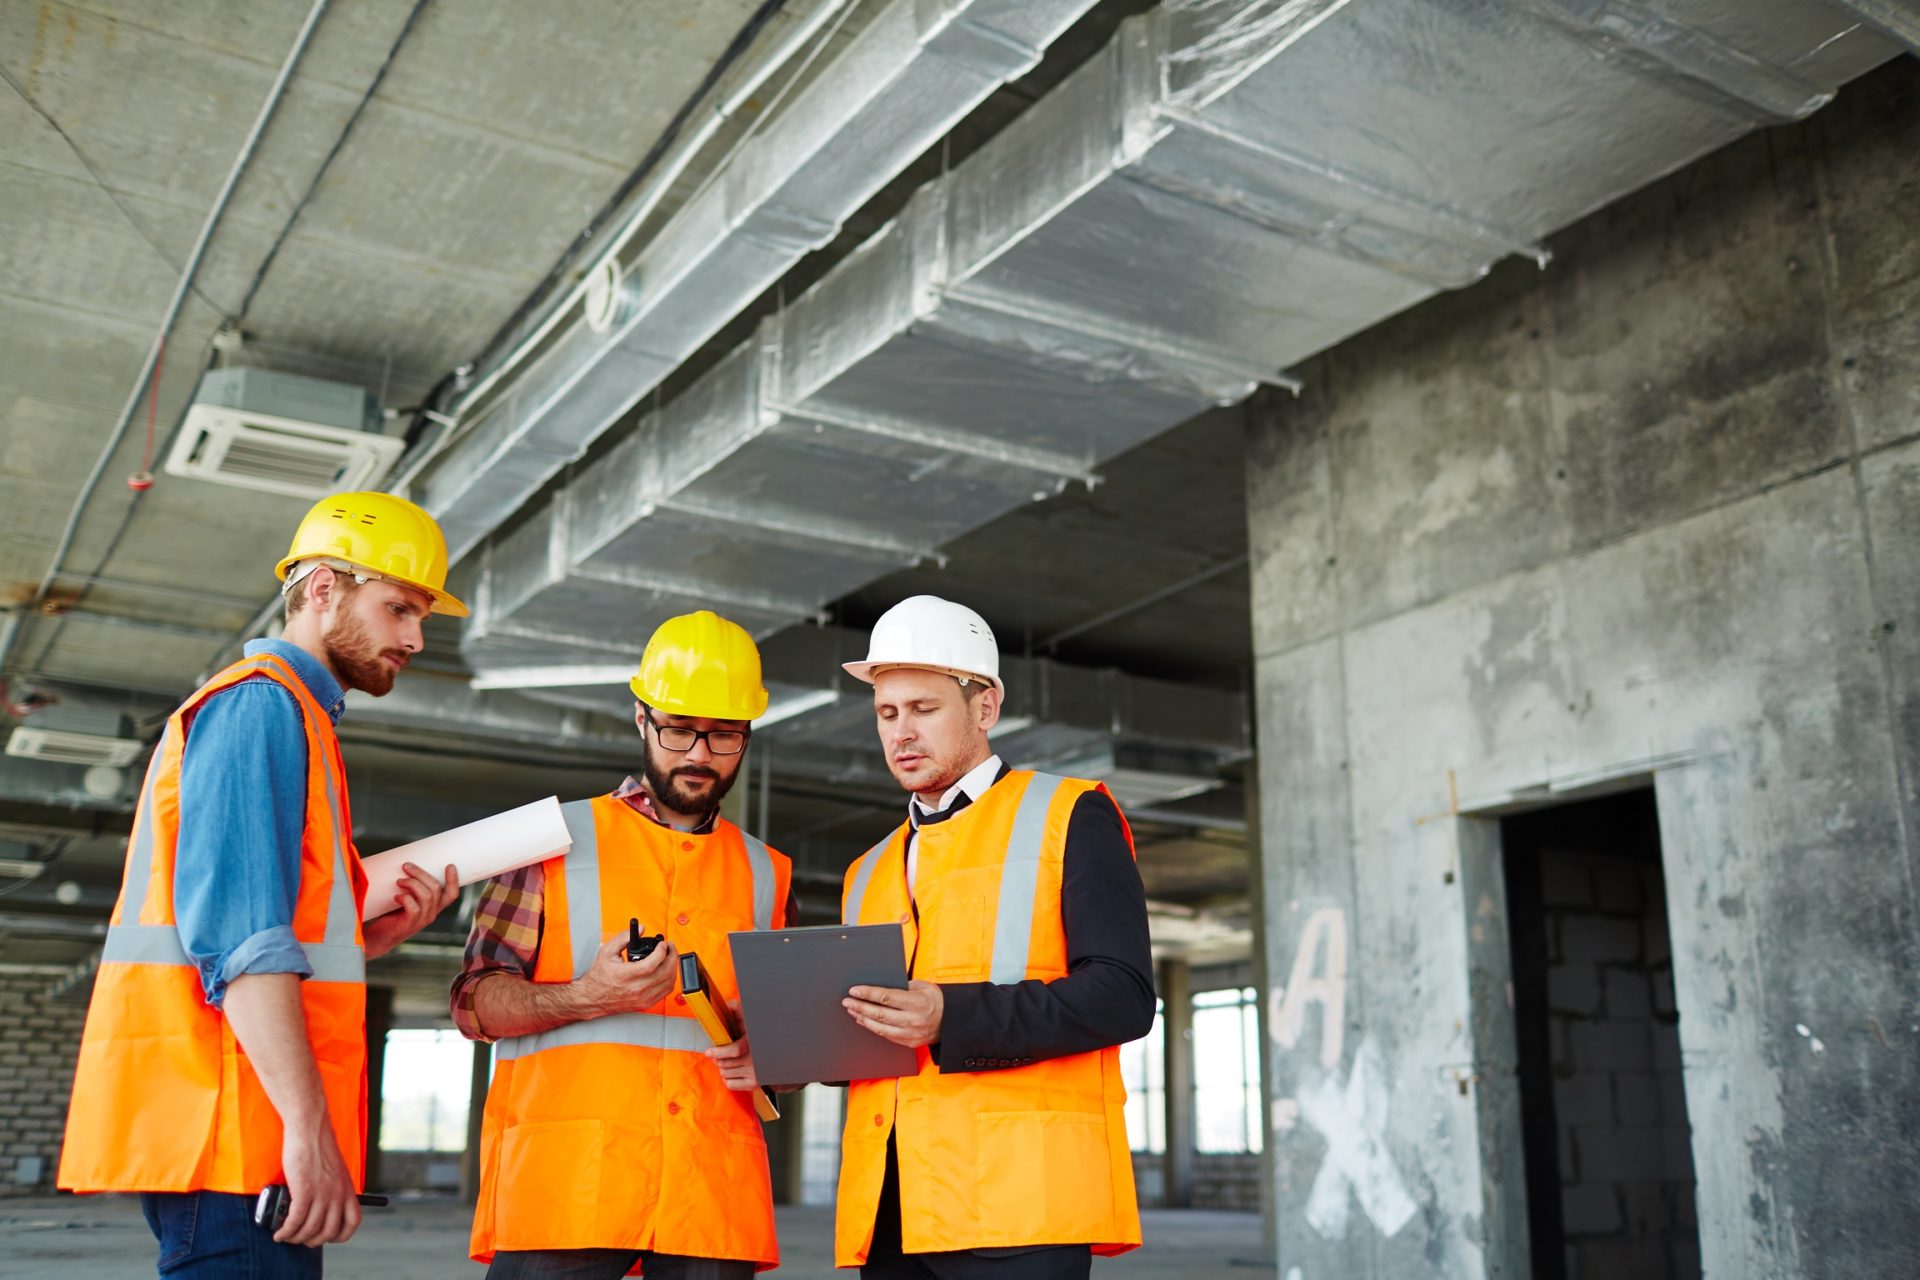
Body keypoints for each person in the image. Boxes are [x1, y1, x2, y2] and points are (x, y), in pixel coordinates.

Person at [59, 491, 466, 1278]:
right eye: (398, 609)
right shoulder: (260, 708)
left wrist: (362, 941)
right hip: (237, 1135)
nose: (415, 638)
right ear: (322, 590)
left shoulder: (296, 718)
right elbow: (244, 945)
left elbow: (256, 927)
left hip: (242, 1127)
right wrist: (308, 1131)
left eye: (421, 617)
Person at [455, 610, 795, 1279]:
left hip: (710, 1186)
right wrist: (588, 995)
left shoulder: (769, 871)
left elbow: (783, 1032)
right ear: (641, 719)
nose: (699, 753)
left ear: (747, 734)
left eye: (723, 735)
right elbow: (474, 1004)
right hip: (568, 1182)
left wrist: (775, 1051)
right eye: (678, 729)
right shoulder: (551, 842)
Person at [834, 595, 1155, 1278]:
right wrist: (783, 1046)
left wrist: (952, 1015)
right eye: (887, 713)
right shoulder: (866, 870)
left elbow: (1122, 996)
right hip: (892, 1207)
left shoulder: (1070, 814)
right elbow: (868, 1034)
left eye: (924, 709)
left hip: (1020, 1204)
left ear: (985, 707)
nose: (901, 734)